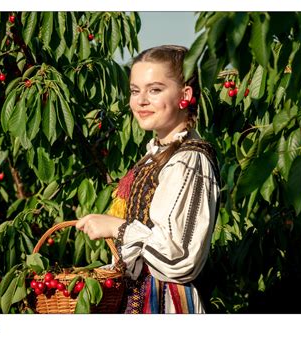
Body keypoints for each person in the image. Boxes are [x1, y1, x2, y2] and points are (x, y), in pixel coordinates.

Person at [75, 45, 220, 313]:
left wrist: (117, 228)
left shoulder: (189, 161)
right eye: (134, 90)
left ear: (184, 95)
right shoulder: (157, 154)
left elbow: (180, 258)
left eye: (154, 90)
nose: (140, 100)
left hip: (164, 305)